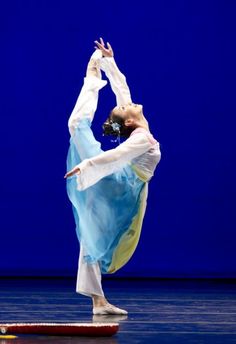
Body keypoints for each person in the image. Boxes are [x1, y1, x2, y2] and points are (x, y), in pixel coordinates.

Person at [64, 38, 161, 315]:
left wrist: (109, 61)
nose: (126, 103)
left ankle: (98, 301)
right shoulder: (140, 135)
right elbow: (116, 157)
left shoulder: (139, 130)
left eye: (121, 107)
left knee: (91, 233)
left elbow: (123, 90)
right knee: (76, 126)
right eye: (123, 107)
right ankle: (98, 301)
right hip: (117, 183)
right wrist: (88, 166)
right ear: (129, 121)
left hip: (122, 185)